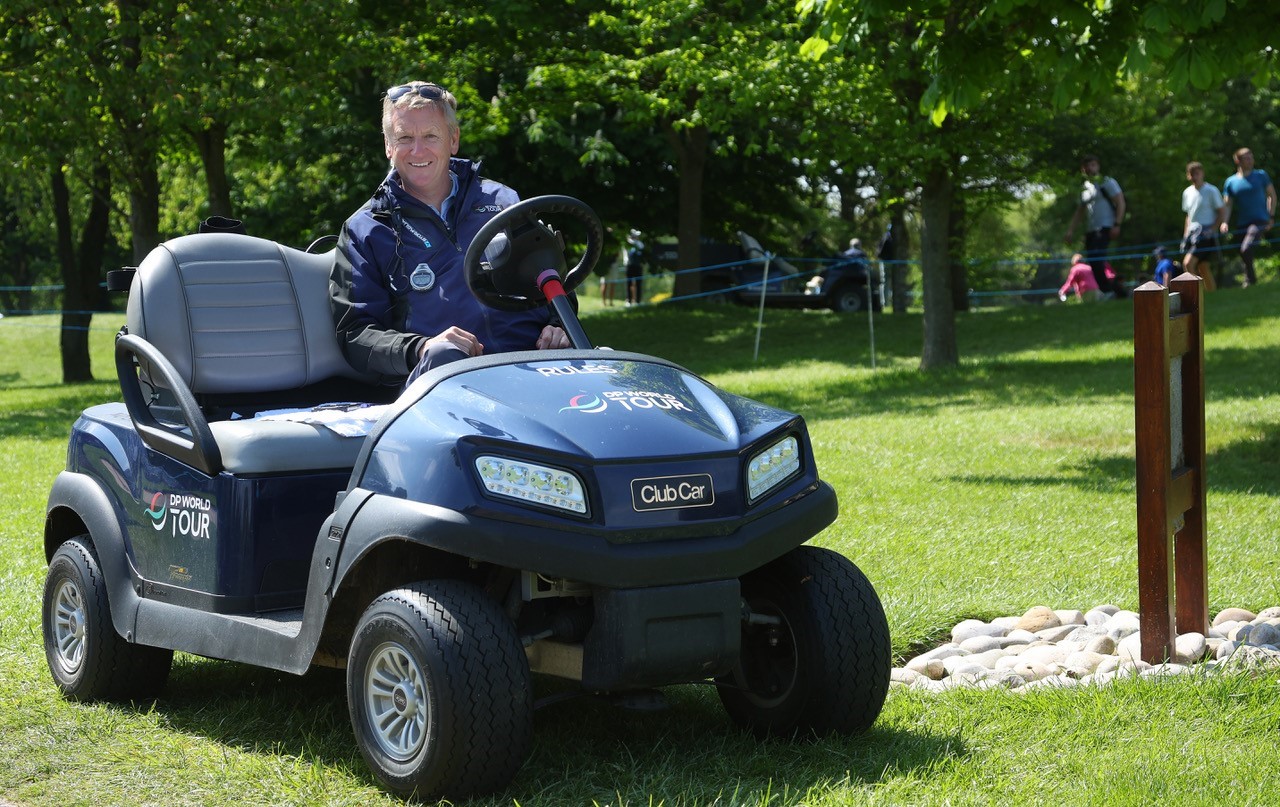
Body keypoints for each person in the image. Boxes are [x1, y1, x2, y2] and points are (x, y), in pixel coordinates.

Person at [330, 81, 569, 388]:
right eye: (404, 138)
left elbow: (554, 281)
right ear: (388, 146)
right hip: (444, 385)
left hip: (537, 368)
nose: (418, 150)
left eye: (431, 135)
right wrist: (421, 348)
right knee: (444, 355)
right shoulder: (366, 229)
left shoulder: (504, 202)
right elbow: (355, 334)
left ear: (453, 139)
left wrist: (557, 324)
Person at [1064, 155, 1126, 298]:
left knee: (1098, 259)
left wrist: (1117, 224)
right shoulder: (1085, 188)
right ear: (1082, 169)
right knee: (1093, 261)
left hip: (1105, 227)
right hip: (1091, 230)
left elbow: (1121, 202)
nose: (1089, 168)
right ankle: (1111, 291)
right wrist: (1070, 231)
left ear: (1097, 166)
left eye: (1092, 165)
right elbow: (1080, 212)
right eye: (1086, 166)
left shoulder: (1107, 182)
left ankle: (1109, 290)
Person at [1219, 147, 1276, 288]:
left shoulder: (1261, 175)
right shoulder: (1231, 182)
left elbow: (1272, 196)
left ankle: (1251, 280)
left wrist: (1271, 215)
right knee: (1244, 252)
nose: (1251, 160)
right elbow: (1228, 205)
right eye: (1247, 158)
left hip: (1260, 219)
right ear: (1238, 161)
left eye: (1251, 157)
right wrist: (1224, 222)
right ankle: (1249, 281)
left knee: (1246, 248)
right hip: (1242, 223)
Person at [1180, 161, 1225, 290]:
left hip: (1205, 234)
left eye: (1197, 173)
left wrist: (1212, 229)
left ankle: (1195, 295)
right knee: (1203, 266)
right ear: (1188, 176)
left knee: (1188, 264)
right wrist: (1185, 235)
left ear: (1202, 174)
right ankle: (1212, 294)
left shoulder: (1211, 190)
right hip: (1191, 233)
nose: (1194, 177)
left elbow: (1222, 211)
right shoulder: (1187, 192)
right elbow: (1188, 215)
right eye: (1191, 174)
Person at [624, 229, 645, 305]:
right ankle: (629, 301)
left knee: (638, 284)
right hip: (630, 266)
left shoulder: (639, 244)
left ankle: (638, 301)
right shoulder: (627, 244)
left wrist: (631, 241)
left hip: (638, 266)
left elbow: (640, 246)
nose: (636, 237)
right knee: (629, 284)